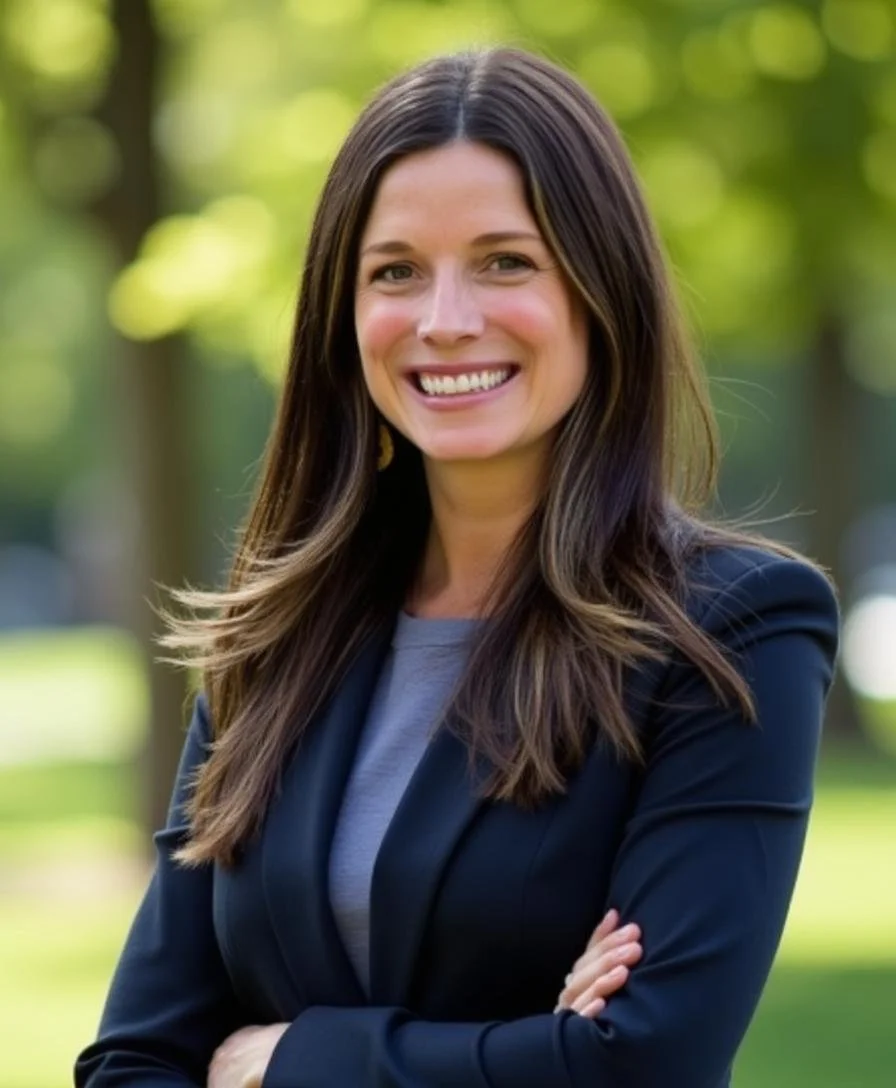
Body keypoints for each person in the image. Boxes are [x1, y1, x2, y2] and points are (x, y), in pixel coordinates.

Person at [75, 47, 839, 1088]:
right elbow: (131, 1060)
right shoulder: (273, 643)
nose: (442, 320)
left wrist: (290, 1055)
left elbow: (641, 1063)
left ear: (597, 287)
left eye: (504, 261)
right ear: (341, 318)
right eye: (393, 270)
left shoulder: (728, 629)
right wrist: (529, 1049)